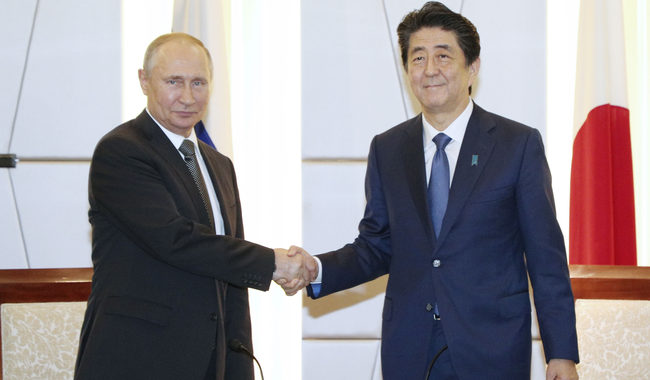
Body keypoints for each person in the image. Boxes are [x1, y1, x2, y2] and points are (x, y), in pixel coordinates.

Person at [286, 2, 579, 379]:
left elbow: (545, 257)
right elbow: (376, 246)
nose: (430, 70)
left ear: (472, 67)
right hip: (411, 346)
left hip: (491, 347)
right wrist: (318, 269)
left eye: (443, 56)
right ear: (407, 69)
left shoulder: (516, 145)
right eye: (417, 58)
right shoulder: (388, 149)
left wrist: (561, 354)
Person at [74, 33, 311, 380]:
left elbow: (230, 282)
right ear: (144, 81)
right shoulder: (121, 152)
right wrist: (271, 262)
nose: (187, 97)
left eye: (198, 82)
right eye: (174, 82)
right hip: (135, 360)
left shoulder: (219, 165)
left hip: (207, 362)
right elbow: (176, 240)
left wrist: (238, 363)